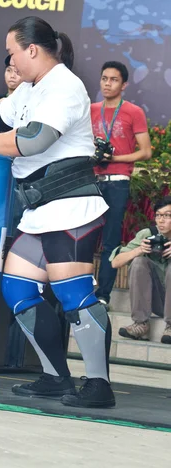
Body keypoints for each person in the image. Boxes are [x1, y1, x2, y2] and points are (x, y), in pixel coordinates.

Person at [0, 16, 115, 408]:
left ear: (32, 50)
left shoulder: (66, 87)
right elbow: (0, 113)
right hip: (41, 210)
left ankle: (99, 385)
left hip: (70, 208)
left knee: (74, 294)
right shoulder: (30, 89)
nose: (10, 61)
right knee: (18, 285)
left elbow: (33, 140)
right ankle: (56, 377)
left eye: (12, 53)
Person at [91, 62, 152, 307]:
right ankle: (82, 289)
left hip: (117, 181)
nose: (107, 83)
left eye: (114, 80)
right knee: (83, 237)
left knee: (110, 240)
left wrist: (114, 158)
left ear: (124, 85)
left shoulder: (133, 112)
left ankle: (103, 294)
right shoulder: (91, 109)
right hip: (91, 180)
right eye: (104, 78)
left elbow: (146, 152)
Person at [111, 197, 171, 344]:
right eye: (158, 215)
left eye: (167, 215)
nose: (161, 220)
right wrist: (139, 250)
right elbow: (115, 262)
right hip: (159, 300)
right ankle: (141, 324)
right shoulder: (147, 234)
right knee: (139, 262)